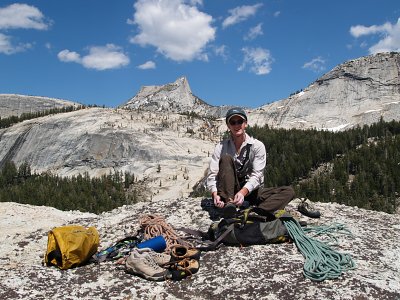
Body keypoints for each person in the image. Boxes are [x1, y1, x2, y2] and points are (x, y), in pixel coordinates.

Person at [206, 107, 295, 217]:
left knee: (288, 191)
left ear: (245, 124)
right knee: (225, 159)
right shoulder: (221, 147)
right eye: (233, 122)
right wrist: (215, 194)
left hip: (251, 191)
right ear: (229, 126)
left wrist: (243, 192)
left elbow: (257, 175)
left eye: (240, 121)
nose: (237, 125)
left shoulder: (257, 146)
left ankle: (256, 213)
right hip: (229, 191)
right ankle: (229, 204)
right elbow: (213, 174)